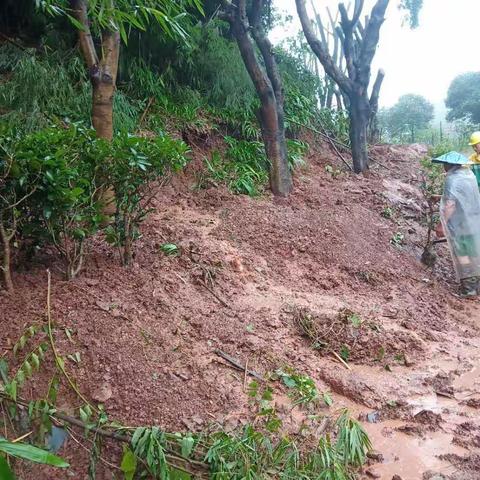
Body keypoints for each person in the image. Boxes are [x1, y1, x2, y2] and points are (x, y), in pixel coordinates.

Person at [434, 151, 480, 297]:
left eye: (444, 165)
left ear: (449, 165)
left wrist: (441, 224)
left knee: (462, 254)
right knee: (474, 252)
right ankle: (476, 285)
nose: (443, 168)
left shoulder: (452, 179)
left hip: (460, 223)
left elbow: (451, 204)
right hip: (473, 221)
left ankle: (469, 289)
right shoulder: (469, 176)